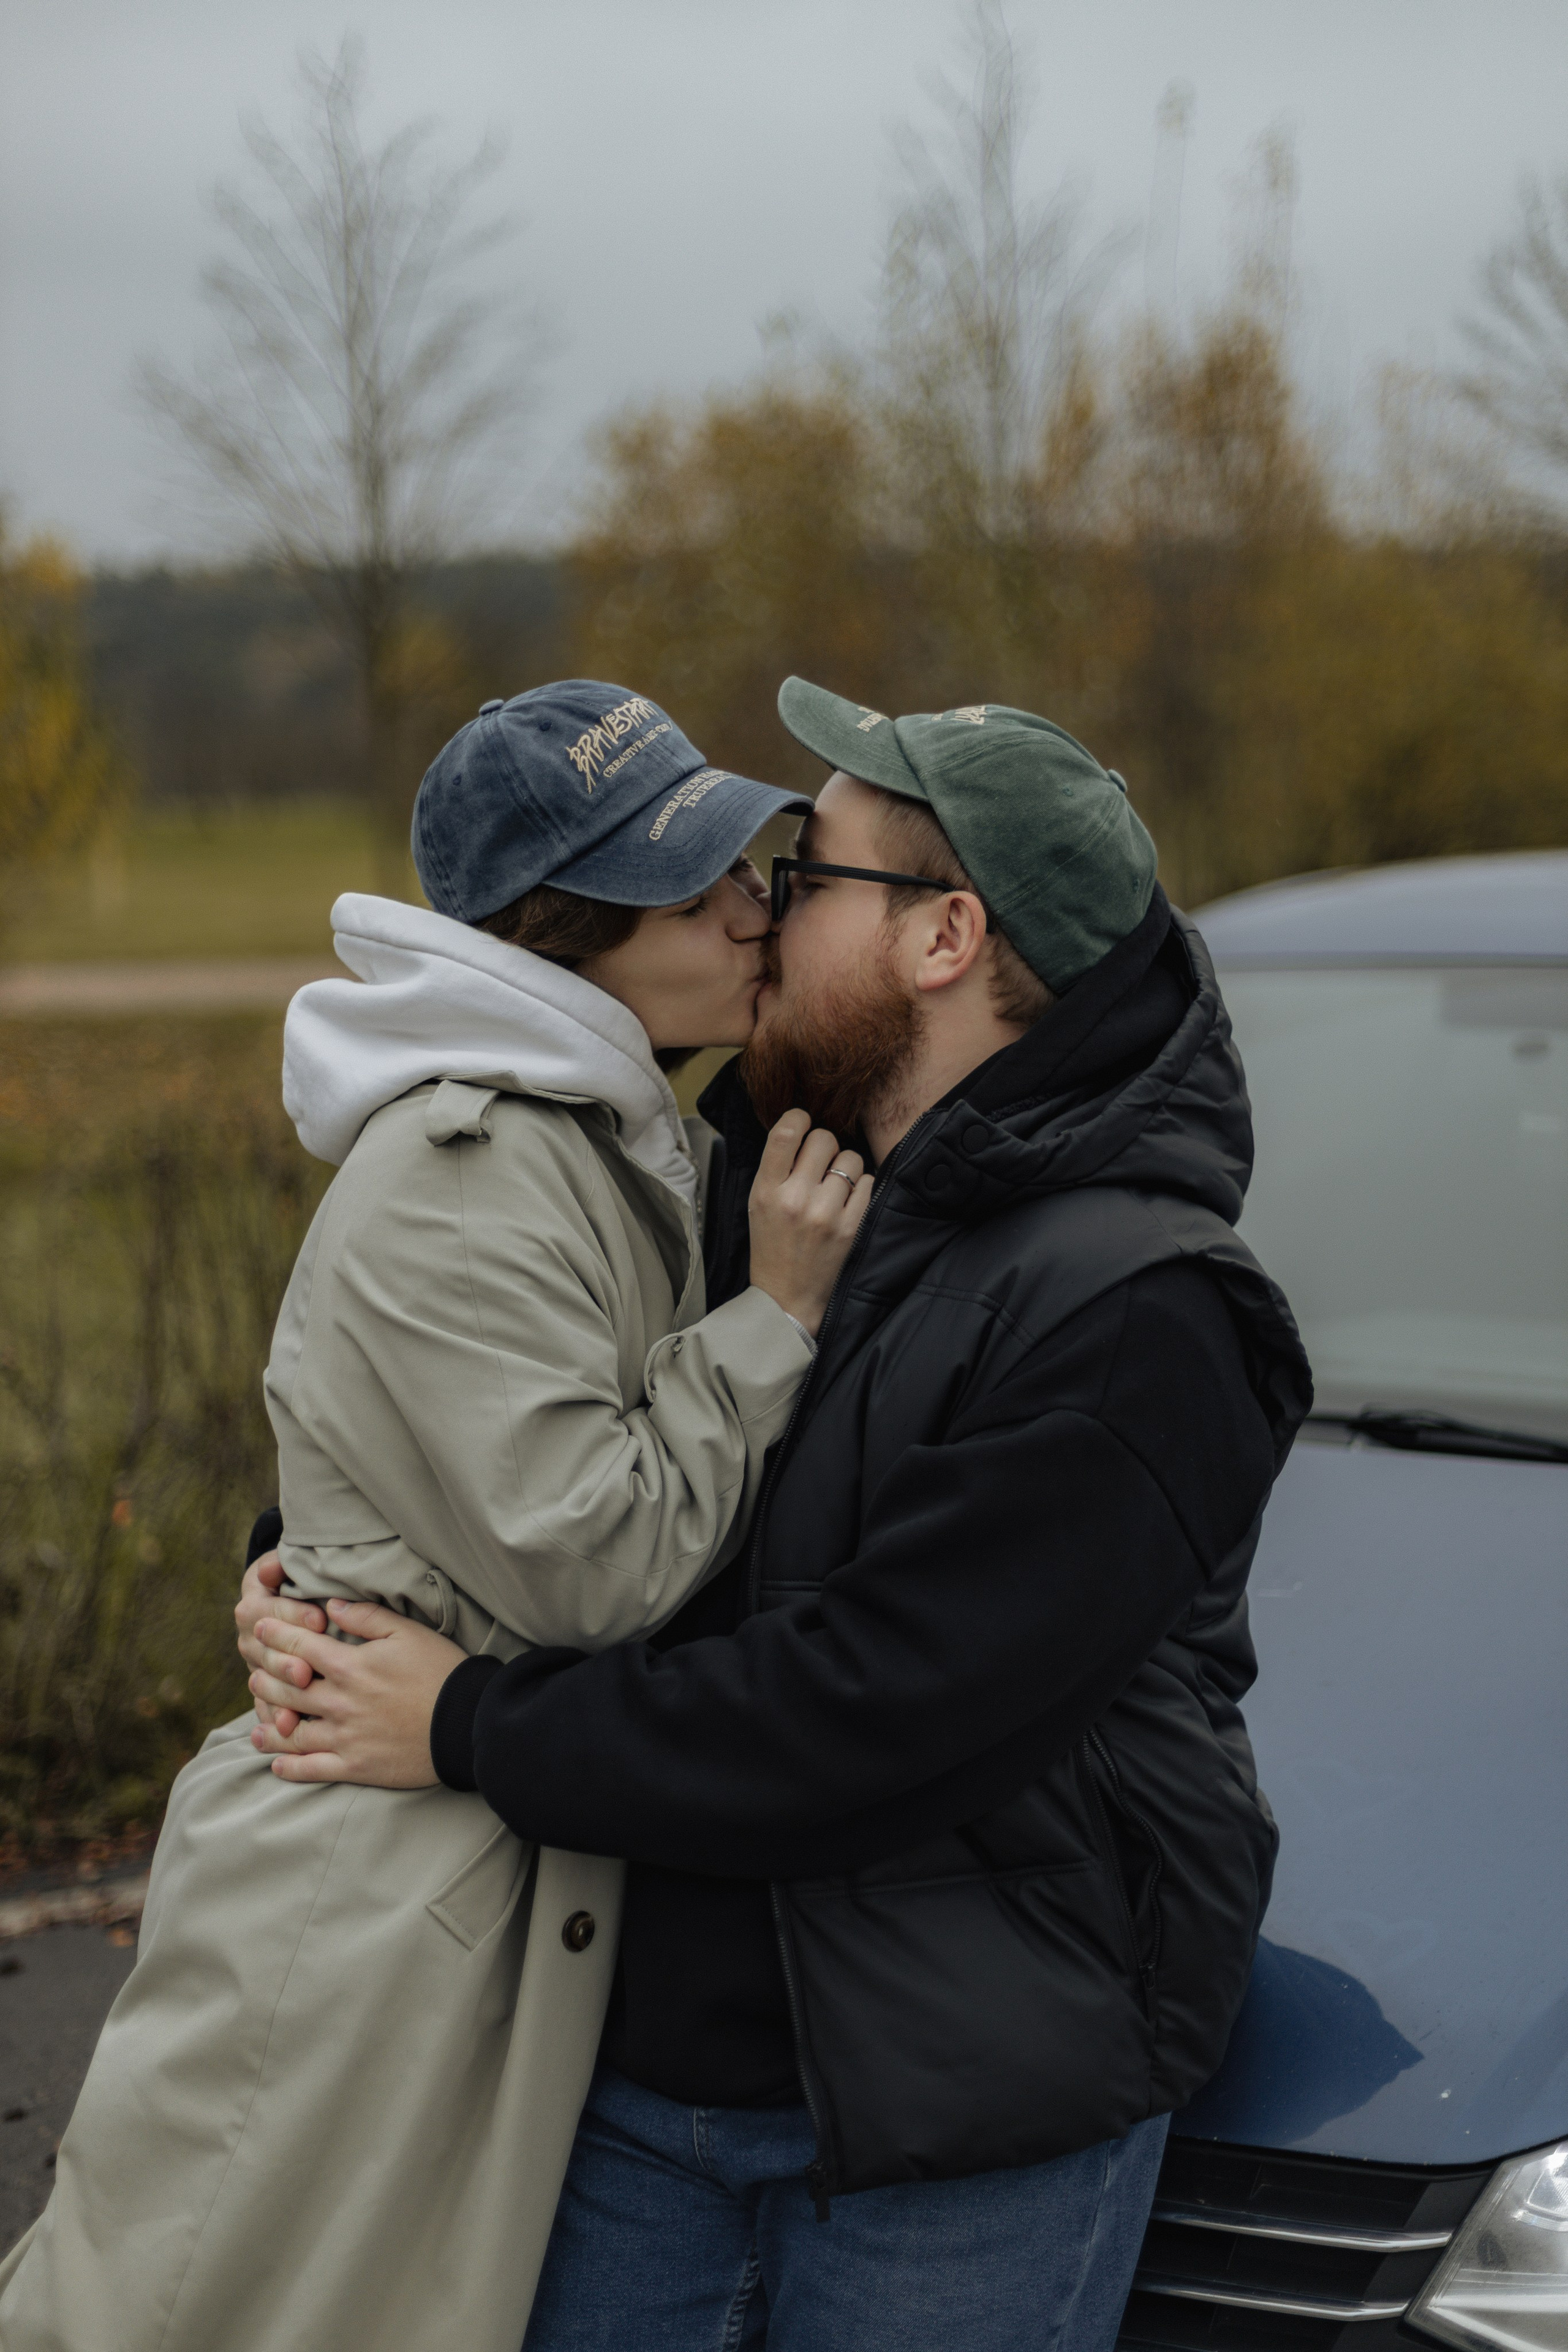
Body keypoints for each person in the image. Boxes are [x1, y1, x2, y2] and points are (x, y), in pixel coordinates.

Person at [241, 680, 1314, 2352]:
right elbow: (507, 1439)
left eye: (807, 873)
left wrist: (461, 1723)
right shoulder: (751, 1177)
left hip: (956, 2131)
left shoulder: (1141, 1314)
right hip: (629, 2082)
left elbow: (861, 1711)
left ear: (946, 935)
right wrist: (304, 1583)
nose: (759, 903)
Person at [0, 682, 875, 2352]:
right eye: (700, 888)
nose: (755, 906)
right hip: (351, 1921)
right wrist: (774, 1320)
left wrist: (288, 1555)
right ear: (570, 938)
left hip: (452, 1884)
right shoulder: (473, 1167)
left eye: (744, 867)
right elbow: (597, 1556)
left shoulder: (603, 1133)